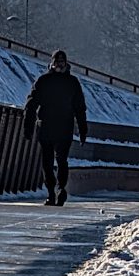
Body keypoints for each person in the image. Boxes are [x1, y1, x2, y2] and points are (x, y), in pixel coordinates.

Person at [23, 50, 89, 206]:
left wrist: (28, 128)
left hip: (49, 126)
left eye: (61, 62)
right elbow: (79, 108)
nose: (59, 64)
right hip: (61, 127)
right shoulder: (71, 82)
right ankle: (58, 189)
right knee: (59, 160)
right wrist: (82, 129)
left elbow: (31, 105)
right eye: (58, 62)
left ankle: (54, 191)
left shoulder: (44, 81)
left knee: (50, 161)